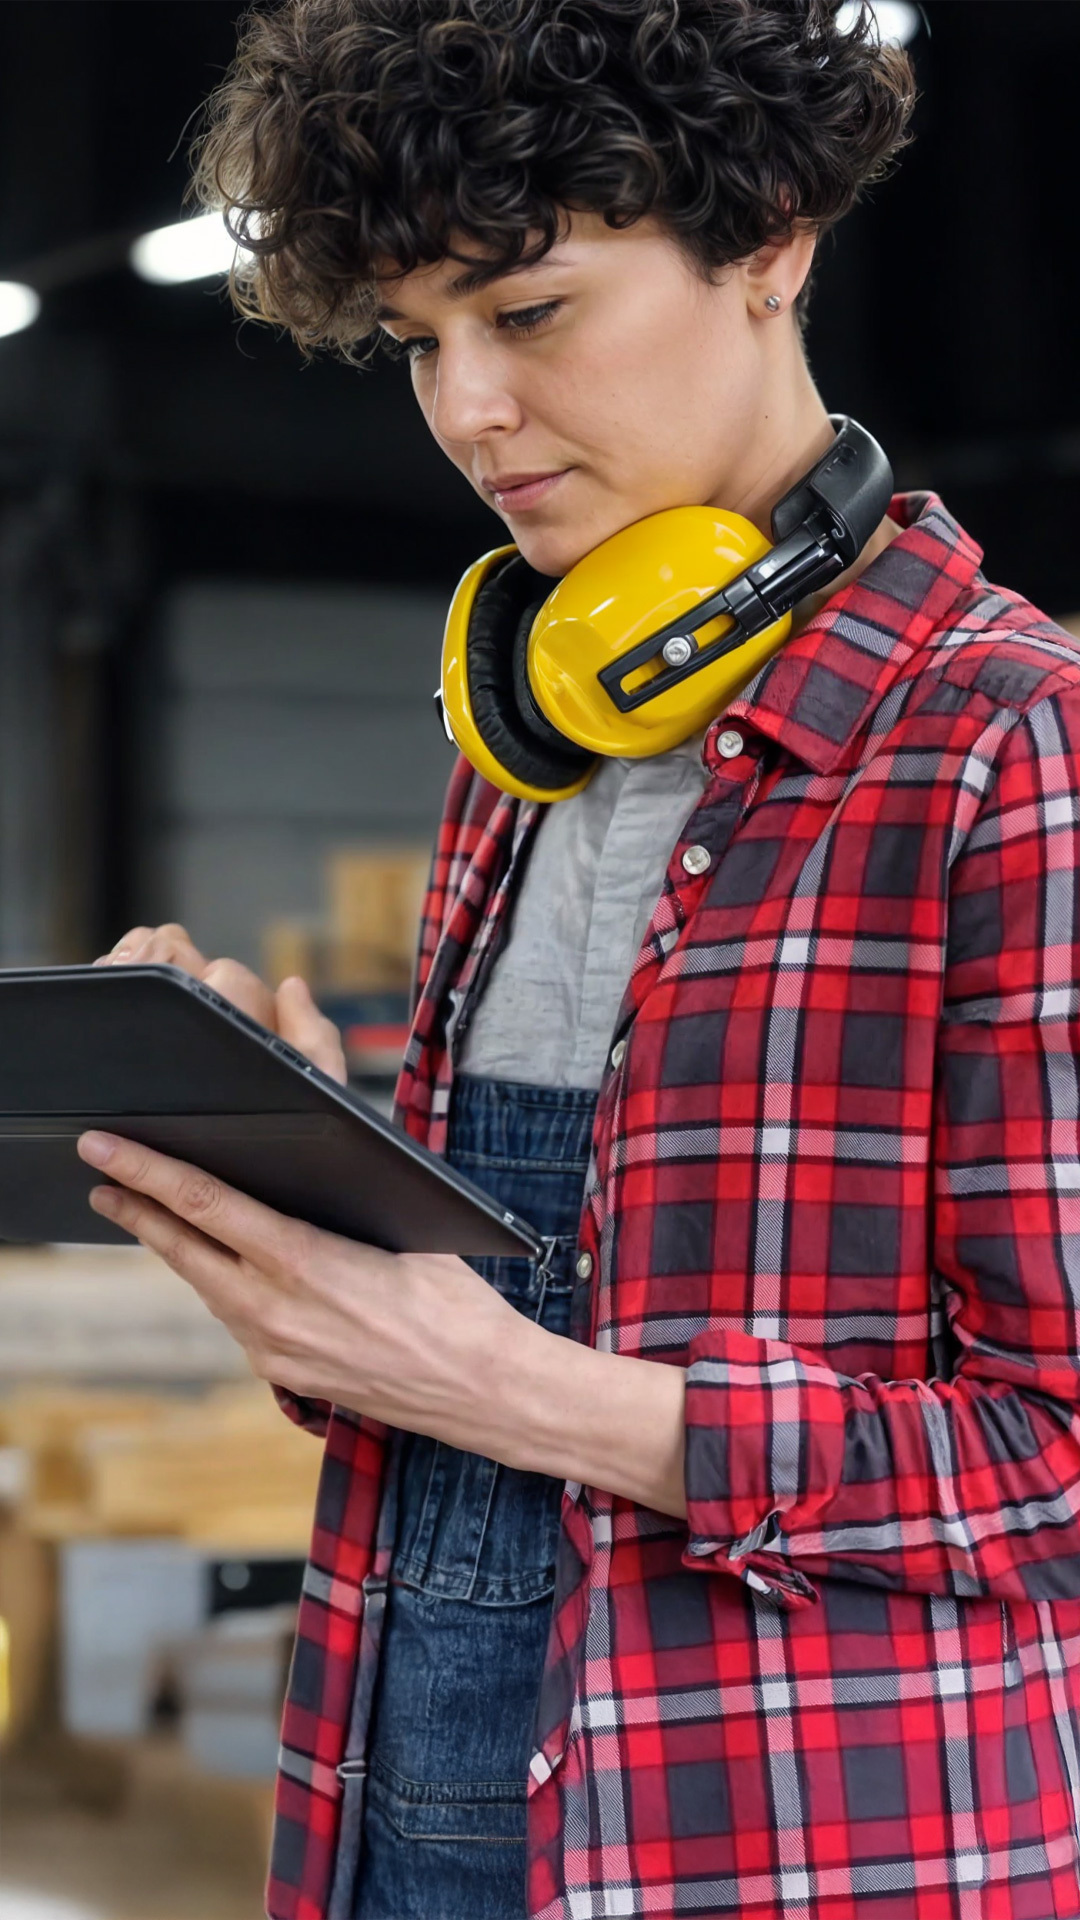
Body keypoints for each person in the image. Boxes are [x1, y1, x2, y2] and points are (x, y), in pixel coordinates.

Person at [82, 2, 1080, 1917]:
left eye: (525, 314)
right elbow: (490, 1345)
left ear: (772, 234)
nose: (466, 410)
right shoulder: (531, 739)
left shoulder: (1006, 749)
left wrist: (526, 1393)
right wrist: (308, 1205)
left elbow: (1049, 1461)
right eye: (415, 345)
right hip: (401, 1806)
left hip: (785, 1849)